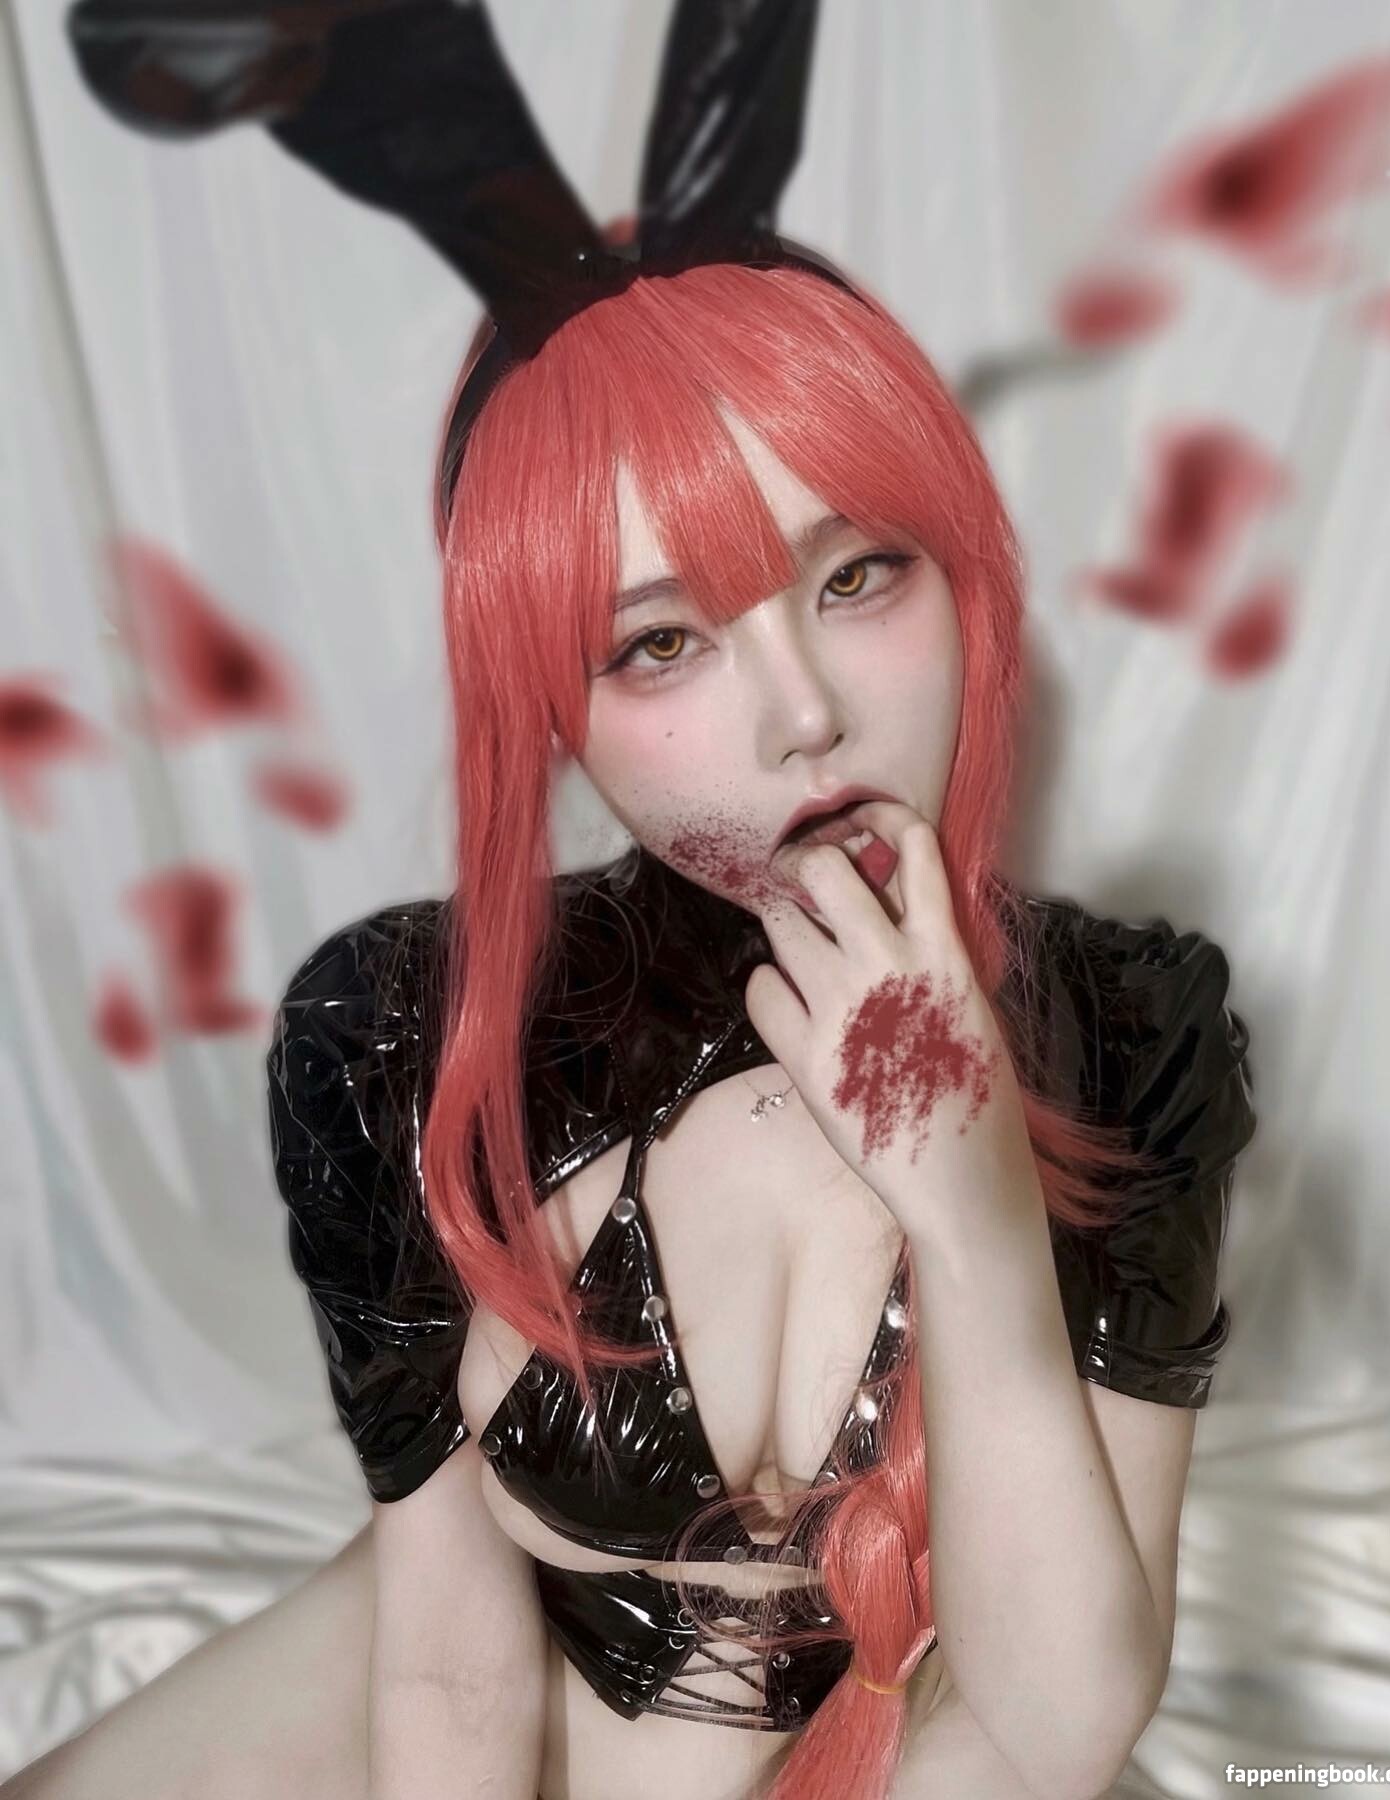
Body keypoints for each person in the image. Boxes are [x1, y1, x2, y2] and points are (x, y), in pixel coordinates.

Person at [7, 6, 1257, 1799]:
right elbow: (449, 1669)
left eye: (857, 576)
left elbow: (1050, 1730)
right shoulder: (405, 1035)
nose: (803, 715)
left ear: (966, 575)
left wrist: (977, 1215)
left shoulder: (1129, 1028)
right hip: (491, 1682)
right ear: (553, 710)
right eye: (661, 642)